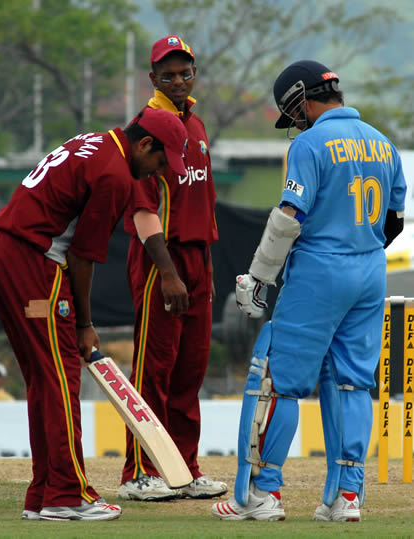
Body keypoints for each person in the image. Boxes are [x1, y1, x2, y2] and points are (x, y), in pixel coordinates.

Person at [212, 60, 406, 522]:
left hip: (320, 271)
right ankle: (346, 499)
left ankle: (263, 495)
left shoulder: (310, 143)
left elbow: (288, 218)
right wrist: (360, 250)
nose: (293, 122)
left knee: (280, 381)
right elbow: (394, 220)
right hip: (370, 269)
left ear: (302, 98)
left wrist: (258, 278)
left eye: (292, 111)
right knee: (353, 382)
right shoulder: (384, 143)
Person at [0, 107, 189, 521]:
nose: (157, 173)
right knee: (60, 377)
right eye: (160, 162)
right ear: (144, 144)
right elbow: (82, 256)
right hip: (33, 262)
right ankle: (66, 494)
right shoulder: (114, 175)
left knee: (44, 376)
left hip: (3, 252)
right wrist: (85, 324)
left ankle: (43, 494)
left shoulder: (94, 142)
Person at [119, 35, 227, 502]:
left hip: (197, 260)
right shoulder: (147, 127)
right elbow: (144, 211)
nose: (178, 81)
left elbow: (202, 201)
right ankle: (139, 472)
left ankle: (184, 469)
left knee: (189, 373)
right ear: (153, 78)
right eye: (168, 74)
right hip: (162, 260)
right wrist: (166, 272)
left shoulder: (197, 126)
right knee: (153, 370)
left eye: (185, 72)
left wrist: (204, 268)